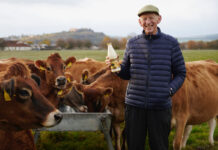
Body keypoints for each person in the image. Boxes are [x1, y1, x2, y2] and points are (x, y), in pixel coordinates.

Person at [105, 4, 186, 150]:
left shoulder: (171, 43)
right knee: (134, 146)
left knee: (159, 146)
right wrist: (115, 67)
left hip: (160, 106)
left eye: (151, 18)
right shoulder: (132, 43)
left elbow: (181, 73)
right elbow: (126, 73)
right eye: (144, 19)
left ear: (159, 19)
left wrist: (169, 90)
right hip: (134, 107)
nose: (148, 22)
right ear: (139, 22)